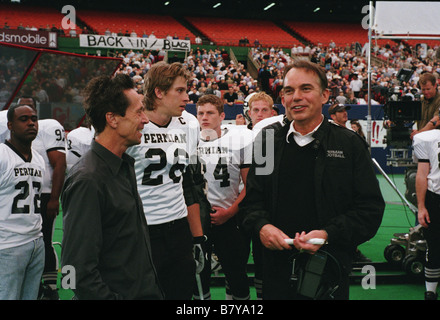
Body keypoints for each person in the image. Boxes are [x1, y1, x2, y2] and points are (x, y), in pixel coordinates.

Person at [239, 59, 385, 300]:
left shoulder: (349, 144)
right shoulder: (267, 141)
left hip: (329, 271)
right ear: (283, 98)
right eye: (289, 90)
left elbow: (369, 209)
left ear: (325, 95)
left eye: (306, 89)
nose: (296, 97)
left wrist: (328, 234)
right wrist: (261, 227)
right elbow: (251, 203)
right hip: (276, 272)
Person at [61, 74, 163, 300]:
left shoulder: (124, 165)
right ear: (112, 119)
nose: (145, 119)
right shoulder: (87, 179)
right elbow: (73, 271)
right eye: (138, 112)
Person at [126, 61, 205, 300]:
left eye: (186, 89)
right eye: (180, 90)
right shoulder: (132, 123)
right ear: (159, 92)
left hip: (179, 227)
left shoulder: (189, 123)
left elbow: (188, 183)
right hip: (142, 228)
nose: (187, 96)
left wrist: (197, 236)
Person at [195, 94, 253, 300]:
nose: (204, 117)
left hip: (229, 219)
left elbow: (250, 186)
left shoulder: (238, 141)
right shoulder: (191, 144)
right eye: (200, 113)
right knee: (198, 278)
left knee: (236, 276)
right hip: (197, 221)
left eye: (210, 113)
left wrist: (229, 212)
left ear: (221, 116)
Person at [17, 96, 67, 300]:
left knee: (45, 238)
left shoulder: (47, 127)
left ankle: (49, 286)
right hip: (20, 196)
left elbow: (60, 164)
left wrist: (54, 198)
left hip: (43, 194)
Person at [0, 104, 45, 300]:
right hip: (8, 244)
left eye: (34, 119)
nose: (31, 123)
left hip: (37, 242)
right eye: (24, 119)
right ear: (10, 125)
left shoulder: (39, 159)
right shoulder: (2, 155)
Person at [413, 129, 440, 300]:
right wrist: (421, 206)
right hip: (436, 198)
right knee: (435, 245)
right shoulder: (428, 139)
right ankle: (431, 291)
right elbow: (422, 174)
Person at [410, 72, 440, 139]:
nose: (426, 92)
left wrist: (419, 133)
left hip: (436, 142)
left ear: (435, 85)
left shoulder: (438, 100)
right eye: (423, 89)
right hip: (421, 142)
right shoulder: (420, 100)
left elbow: (436, 121)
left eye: (428, 89)